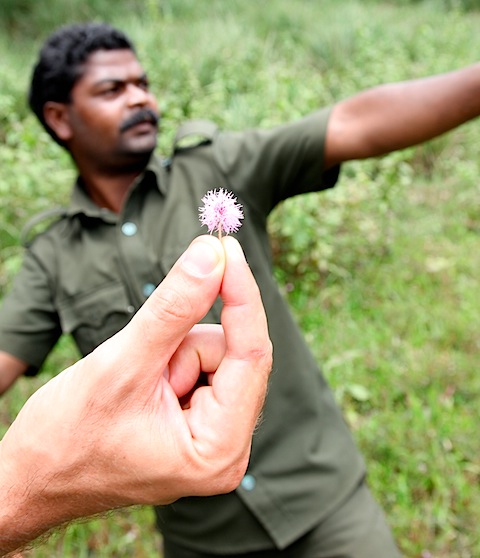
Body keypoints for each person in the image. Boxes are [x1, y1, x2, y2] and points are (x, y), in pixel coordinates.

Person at [0, 21, 479, 557]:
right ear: (60, 118)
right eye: (112, 89)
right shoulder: (51, 256)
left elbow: (351, 123)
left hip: (324, 498)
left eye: (143, 83)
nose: (140, 98)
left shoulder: (215, 166)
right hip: (205, 539)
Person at [0, 235, 272, 557]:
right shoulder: (51, 251)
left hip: (323, 493)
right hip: (196, 535)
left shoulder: (216, 182)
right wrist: (22, 483)